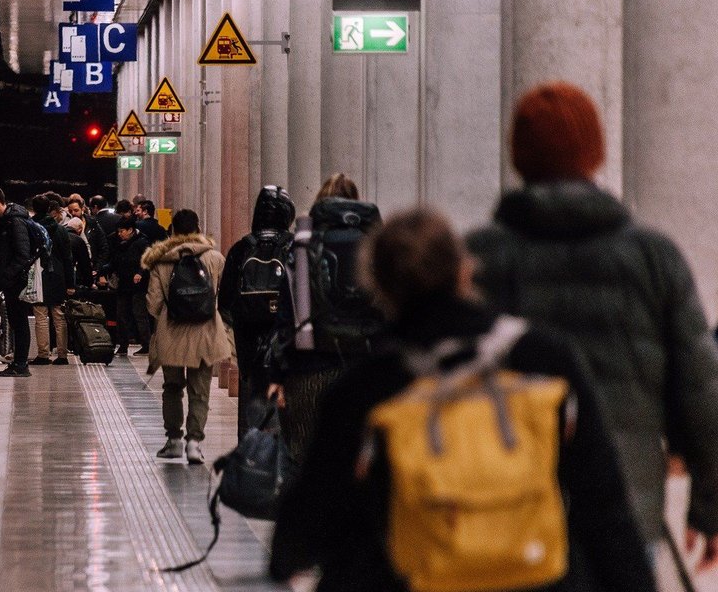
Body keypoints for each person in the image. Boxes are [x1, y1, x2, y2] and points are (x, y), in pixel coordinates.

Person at [270, 208, 655, 592]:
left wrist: (288, 556)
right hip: (535, 578)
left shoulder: (365, 389)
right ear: (465, 271)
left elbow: (308, 522)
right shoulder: (545, 359)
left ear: (379, 287)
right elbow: (604, 505)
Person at [466, 81, 718, 567]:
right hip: (622, 506)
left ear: (519, 157)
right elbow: (700, 391)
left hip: (504, 505)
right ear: (595, 154)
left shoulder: (479, 257)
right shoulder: (651, 256)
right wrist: (708, 507)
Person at [267, 173, 382, 462]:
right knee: (359, 461)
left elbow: (287, 313)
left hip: (309, 368)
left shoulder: (303, 245)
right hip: (366, 370)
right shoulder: (380, 246)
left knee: (303, 459)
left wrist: (277, 374)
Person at [142, 209, 232, 465]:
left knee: (172, 387)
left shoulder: (161, 261)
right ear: (198, 229)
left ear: (172, 231)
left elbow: (153, 302)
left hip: (171, 332)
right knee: (199, 389)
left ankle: (173, 440)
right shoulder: (215, 258)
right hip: (205, 332)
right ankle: (194, 443)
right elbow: (223, 297)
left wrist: (166, 315)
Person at [218, 185, 295, 437]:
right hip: (287, 342)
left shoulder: (241, 248)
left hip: (249, 343)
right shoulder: (293, 248)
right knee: (287, 407)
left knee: (251, 400)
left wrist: (243, 325)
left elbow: (225, 301)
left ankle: (251, 456)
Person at [0, 186, 33, 378]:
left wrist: (6, 276)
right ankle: (18, 363)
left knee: (20, 323)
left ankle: (21, 365)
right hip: (11, 281)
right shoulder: (5, 221)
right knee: (17, 323)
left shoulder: (15, 221)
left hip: (16, 281)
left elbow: (22, 254)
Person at [30, 196, 75, 365]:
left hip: (37, 276)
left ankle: (43, 354)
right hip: (58, 276)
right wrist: (70, 283)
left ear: (34, 209)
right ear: (50, 208)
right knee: (59, 316)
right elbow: (67, 258)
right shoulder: (61, 230)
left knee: (41, 316)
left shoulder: (30, 227)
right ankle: (62, 355)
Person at [108, 216, 152, 356]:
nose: (119, 234)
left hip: (138, 285)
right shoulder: (120, 243)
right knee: (121, 314)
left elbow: (148, 260)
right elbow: (115, 260)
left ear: (131, 230)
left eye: (122, 231)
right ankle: (123, 345)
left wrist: (140, 273)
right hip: (124, 283)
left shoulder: (142, 242)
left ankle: (146, 344)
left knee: (139, 314)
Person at [68, 196, 108, 287]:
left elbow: (103, 247)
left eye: (76, 210)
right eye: (70, 211)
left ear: (82, 209)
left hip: (91, 270)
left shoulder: (93, 224)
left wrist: (97, 268)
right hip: (74, 272)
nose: (73, 213)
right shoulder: (66, 226)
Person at [63, 216, 93, 293]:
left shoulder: (60, 236)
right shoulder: (79, 241)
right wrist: (89, 283)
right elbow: (85, 264)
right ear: (80, 229)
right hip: (70, 274)